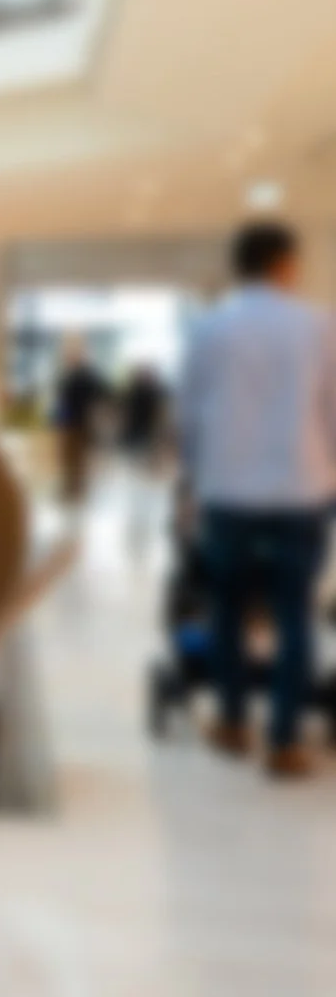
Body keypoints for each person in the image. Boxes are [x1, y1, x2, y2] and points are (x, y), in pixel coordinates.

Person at [178, 220, 336, 778]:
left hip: (228, 493)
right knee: (296, 615)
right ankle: (285, 741)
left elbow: (189, 415)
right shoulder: (319, 325)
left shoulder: (208, 328)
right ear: (285, 263)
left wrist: (194, 481)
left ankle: (232, 722)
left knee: (227, 610)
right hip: (303, 489)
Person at [49, 334, 110, 503]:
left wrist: (98, 418)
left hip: (81, 423)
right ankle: (71, 488)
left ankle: (76, 490)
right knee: (68, 458)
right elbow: (61, 400)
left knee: (78, 459)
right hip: (69, 423)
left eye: (73, 351)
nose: (69, 355)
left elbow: (103, 397)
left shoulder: (88, 376)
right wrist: (58, 421)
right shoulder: (68, 375)